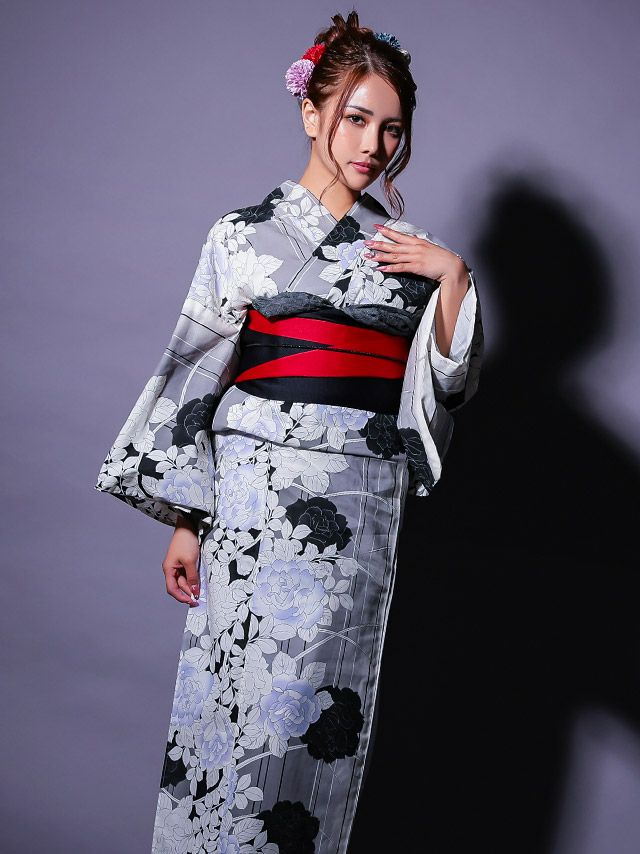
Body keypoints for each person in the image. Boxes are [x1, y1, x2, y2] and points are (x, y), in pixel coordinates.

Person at [95, 10, 484, 853]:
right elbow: (198, 370)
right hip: (250, 499)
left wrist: (453, 276)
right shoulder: (241, 237)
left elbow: (449, 384)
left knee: (311, 713)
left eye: (391, 129)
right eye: (355, 118)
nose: (373, 145)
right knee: (231, 704)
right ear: (311, 112)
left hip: (355, 502)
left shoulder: (409, 254)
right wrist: (188, 519)